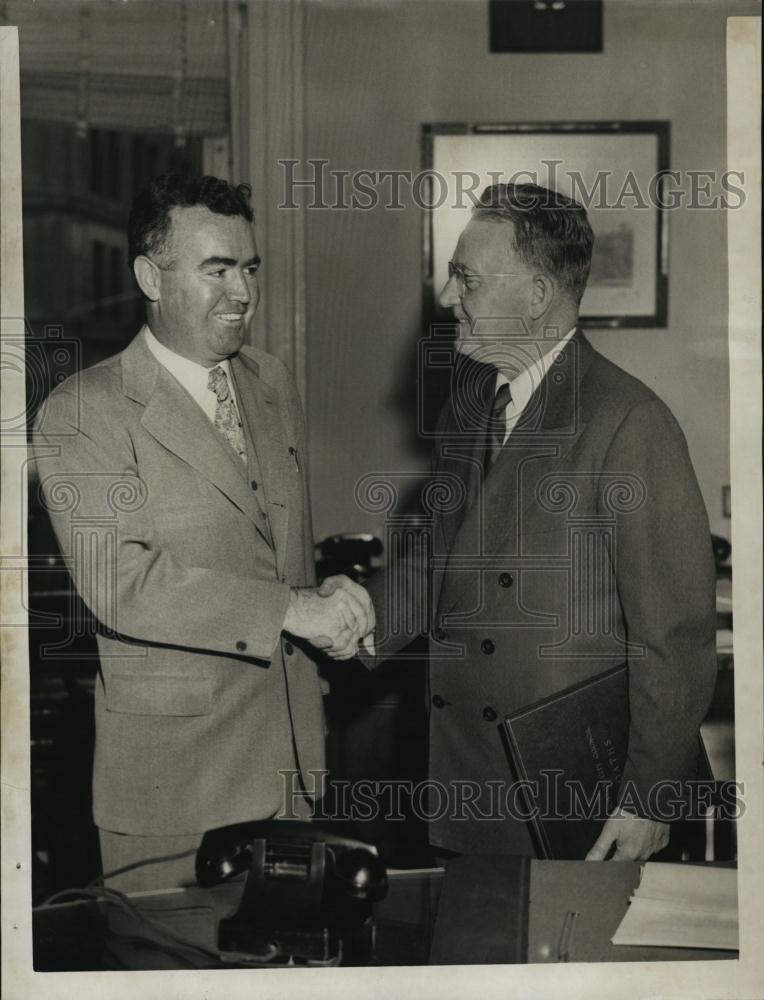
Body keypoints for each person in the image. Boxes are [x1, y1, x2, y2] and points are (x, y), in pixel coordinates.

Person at [334, 182, 717, 861]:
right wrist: (359, 618)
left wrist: (651, 797)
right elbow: (438, 563)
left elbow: (676, 636)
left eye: (468, 280)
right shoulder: (472, 406)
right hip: (468, 771)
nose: (450, 300)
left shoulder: (631, 422)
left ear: (537, 296)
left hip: (567, 791)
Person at [33, 174, 373, 891]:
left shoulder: (271, 381)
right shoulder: (82, 413)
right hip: (176, 789)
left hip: (292, 769)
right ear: (149, 277)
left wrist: (321, 588)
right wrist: (292, 609)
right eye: (215, 270)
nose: (243, 292)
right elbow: (124, 586)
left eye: (249, 268)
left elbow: (265, 555)